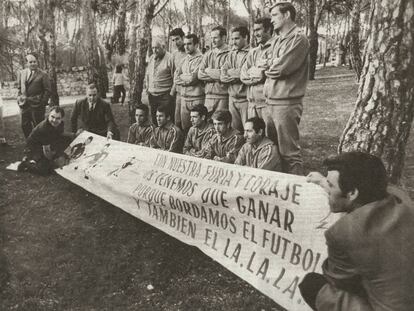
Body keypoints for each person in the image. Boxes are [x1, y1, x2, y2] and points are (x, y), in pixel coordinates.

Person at [300, 152, 414, 311]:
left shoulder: (343, 233)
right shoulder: (401, 199)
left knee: (312, 284)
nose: (328, 191)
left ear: (352, 193)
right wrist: (324, 182)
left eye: (331, 186)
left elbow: (337, 281)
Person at [262, 2, 309, 175]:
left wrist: (268, 65)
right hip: (271, 102)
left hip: (286, 103)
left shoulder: (298, 38)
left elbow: (280, 68)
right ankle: (281, 191)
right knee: (274, 150)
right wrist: (270, 64)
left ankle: (297, 193)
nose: (271, 19)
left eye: (274, 15)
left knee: (289, 153)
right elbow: (266, 63)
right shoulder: (277, 40)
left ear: (287, 14)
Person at [18, 106, 74, 175]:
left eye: (58, 118)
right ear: (48, 115)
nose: (54, 120)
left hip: (47, 142)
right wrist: (54, 161)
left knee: (68, 139)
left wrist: (73, 135)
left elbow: (60, 133)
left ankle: (52, 158)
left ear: (62, 118)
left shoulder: (61, 123)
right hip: (34, 147)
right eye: (52, 117)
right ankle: (27, 163)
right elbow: (46, 151)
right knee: (46, 170)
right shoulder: (44, 128)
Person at [240, 17, 273, 120]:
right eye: (254, 30)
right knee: (252, 135)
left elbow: (269, 73)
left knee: (269, 135)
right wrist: (259, 72)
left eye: (258, 30)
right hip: (252, 104)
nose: (255, 34)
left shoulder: (276, 48)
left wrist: (256, 72)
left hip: (267, 104)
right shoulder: (253, 52)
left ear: (268, 30)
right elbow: (243, 75)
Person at [220, 26, 250, 133]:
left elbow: (243, 73)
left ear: (245, 37)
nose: (233, 42)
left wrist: (231, 73)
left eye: (236, 39)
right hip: (232, 99)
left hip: (245, 100)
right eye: (232, 39)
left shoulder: (251, 53)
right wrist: (232, 73)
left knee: (248, 130)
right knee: (235, 131)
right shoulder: (231, 53)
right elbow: (223, 72)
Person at [17, 53, 51, 138]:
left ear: (37, 62)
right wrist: (19, 99)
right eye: (30, 62)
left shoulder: (43, 74)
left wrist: (42, 103)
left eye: (34, 61)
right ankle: (30, 144)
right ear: (26, 63)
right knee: (25, 126)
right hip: (24, 106)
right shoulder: (22, 73)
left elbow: (48, 91)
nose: (33, 64)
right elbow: (19, 88)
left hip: (37, 106)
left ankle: (41, 145)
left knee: (39, 126)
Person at [174, 34, 205, 131]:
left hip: (196, 98)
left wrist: (183, 77)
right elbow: (175, 78)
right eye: (185, 44)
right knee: (185, 128)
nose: (186, 47)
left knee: (198, 128)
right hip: (184, 98)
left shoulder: (202, 59)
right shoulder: (184, 60)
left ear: (196, 45)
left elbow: (193, 78)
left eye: (189, 44)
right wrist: (185, 77)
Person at [198, 26, 230, 116]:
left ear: (224, 38)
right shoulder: (208, 54)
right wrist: (216, 74)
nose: (212, 41)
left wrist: (208, 71)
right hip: (208, 97)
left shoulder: (230, 53)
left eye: (215, 38)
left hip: (223, 97)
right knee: (209, 124)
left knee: (221, 124)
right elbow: (200, 74)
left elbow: (224, 75)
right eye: (211, 38)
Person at [146, 40, 175, 125]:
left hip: (165, 96)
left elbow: (175, 77)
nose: (154, 50)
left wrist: (171, 94)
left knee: (166, 120)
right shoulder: (151, 58)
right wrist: (147, 87)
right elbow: (148, 74)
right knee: (155, 120)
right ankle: (157, 137)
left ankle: (168, 137)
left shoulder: (170, 58)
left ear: (163, 47)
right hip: (152, 96)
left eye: (157, 48)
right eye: (153, 48)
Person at [169, 28, 187, 129]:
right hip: (178, 93)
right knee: (177, 121)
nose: (176, 42)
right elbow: (173, 74)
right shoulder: (174, 54)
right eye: (173, 40)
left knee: (187, 122)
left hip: (189, 93)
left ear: (183, 37)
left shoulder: (190, 52)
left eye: (177, 39)